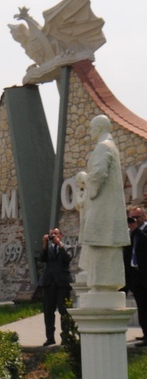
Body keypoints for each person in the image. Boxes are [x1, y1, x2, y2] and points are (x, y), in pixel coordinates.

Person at [80, 114, 129, 290]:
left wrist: (84, 178)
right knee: (105, 249)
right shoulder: (112, 147)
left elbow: (98, 176)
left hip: (103, 211)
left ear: (99, 128)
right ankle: (103, 284)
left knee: (100, 246)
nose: (91, 132)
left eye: (92, 128)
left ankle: (101, 284)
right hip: (108, 210)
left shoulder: (102, 147)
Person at [38, 228, 73, 346]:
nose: (53, 236)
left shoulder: (66, 247)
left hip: (62, 283)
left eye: (56, 234)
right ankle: (50, 338)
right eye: (51, 234)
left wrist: (59, 244)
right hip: (48, 283)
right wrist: (44, 243)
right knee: (48, 312)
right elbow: (41, 259)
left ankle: (66, 336)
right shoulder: (47, 249)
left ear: (61, 235)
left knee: (64, 311)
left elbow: (68, 258)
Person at [124, 206, 147, 347]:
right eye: (131, 217)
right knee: (142, 307)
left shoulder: (142, 231)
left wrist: (136, 230)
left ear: (144, 216)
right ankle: (145, 334)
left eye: (136, 217)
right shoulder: (132, 233)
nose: (134, 220)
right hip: (135, 276)